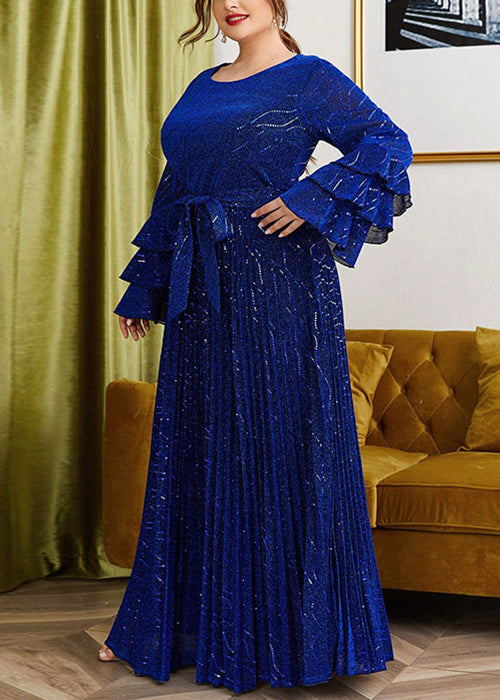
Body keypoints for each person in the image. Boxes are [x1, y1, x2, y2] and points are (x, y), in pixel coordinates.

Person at [98, 0, 413, 694]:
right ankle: (172, 626)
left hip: (281, 281)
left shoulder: (310, 77)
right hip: (201, 286)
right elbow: (177, 187)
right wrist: (145, 288)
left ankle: (295, 640)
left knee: (280, 441)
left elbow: (388, 143)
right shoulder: (200, 86)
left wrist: (309, 198)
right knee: (197, 444)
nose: (231, 3)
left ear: (277, 4)